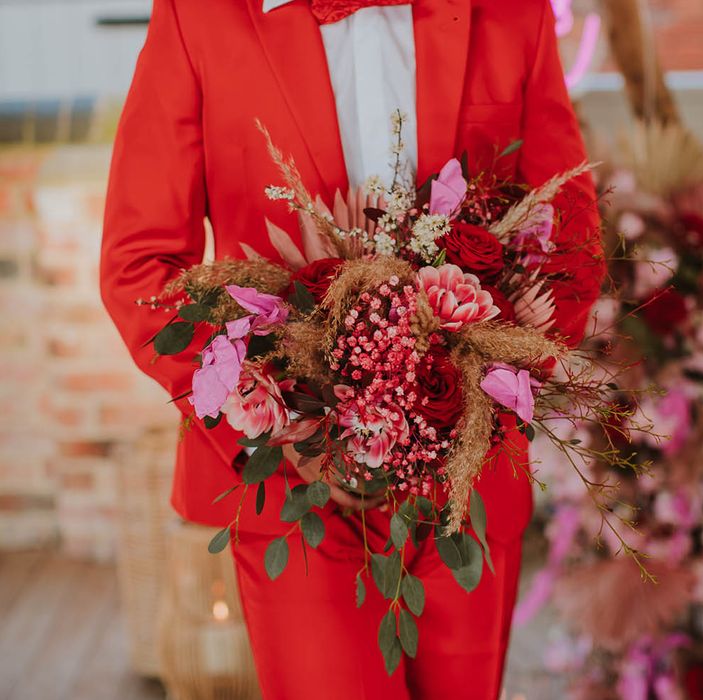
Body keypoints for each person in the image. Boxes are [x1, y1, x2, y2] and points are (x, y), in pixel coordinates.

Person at [100, 1, 604, 698]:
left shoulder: (512, 11)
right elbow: (142, 266)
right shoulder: (197, 17)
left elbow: (569, 240)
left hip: (468, 474)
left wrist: (486, 392)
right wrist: (273, 421)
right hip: (290, 480)